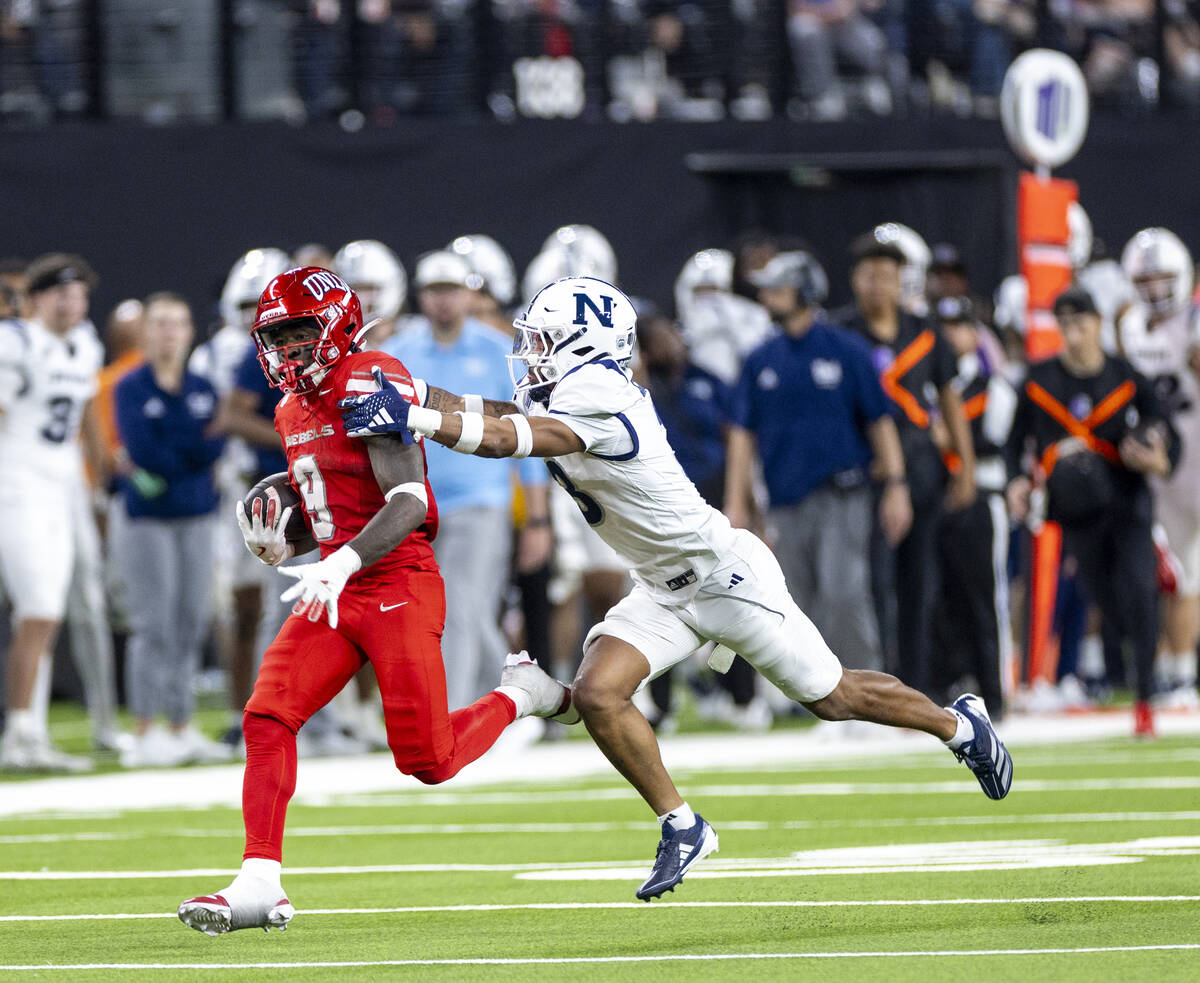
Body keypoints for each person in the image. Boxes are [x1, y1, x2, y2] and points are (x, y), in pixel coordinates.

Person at [341, 274, 1014, 902]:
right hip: (661, 586)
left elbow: (513, 438)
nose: (530, 354)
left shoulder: (600, 394)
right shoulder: (565, 389)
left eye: (542, 342)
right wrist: (418, 395)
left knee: (834, 696)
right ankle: (683, 824)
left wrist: (420, 420)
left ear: (584, 344)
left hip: (724, 576)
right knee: (602, 694)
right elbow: (493, 410)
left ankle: (958, 724)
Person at [178, 267, 570, 935]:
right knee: (267, 713)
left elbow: (408, 500)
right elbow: (330, 506)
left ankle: (521, 693)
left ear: (335, 326)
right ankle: (258, 881)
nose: (288, 348)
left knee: (428, 759)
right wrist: (285, 535)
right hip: (340, 578)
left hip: (397, 581)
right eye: (278, 336)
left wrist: (341, 560)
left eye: (301, 332)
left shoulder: (365, 377)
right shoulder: (288, 406)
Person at [726, 251, 911, 681]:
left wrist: (897, 483)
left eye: (779, 286)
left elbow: (880, 420)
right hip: (785, 497)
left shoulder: (845, 349)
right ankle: (816, 695)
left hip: (841, 492)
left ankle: (868, 687)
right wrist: (737, 501)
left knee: (844, 592)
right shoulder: (760, 359)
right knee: (798, 601)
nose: (768, 295)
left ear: (804, 291)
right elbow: (741, 434)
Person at [1006, 286, 1180, 738]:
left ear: (1098, 324)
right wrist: (1016, 481)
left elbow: (1165, 432)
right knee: (1105, 599)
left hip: (1128, 504)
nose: (1074, 332)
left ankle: (1144, 696)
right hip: (1075, 511)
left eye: (1081, 322)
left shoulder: (1126, 376)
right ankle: (1103, 674)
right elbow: (1014, 442)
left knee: (1140, 592)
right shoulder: (1039, 379)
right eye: (1065, 324)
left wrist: (1159, 458)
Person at [382, 251, 551, 710]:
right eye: (434, 291)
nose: (442, 301)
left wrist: (537, 519)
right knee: (454, 610)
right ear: (421, 295)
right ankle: (518, 699)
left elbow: (528, 437)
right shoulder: (400, 350)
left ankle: (451, 714)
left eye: (451, 290)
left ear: (468, 293)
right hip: (415, 502)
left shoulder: (498, 350)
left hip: (482, 500)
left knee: (459, 606)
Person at [837, 231, 976, 697]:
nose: (878, 285)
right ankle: (876, 681)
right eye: (869, 275)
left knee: (922, 581)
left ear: (902, 282)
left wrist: (965, 463)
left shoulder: (926, 333)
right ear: (855, 280)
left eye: (887, 276)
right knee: (870, 582)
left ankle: (915, 684)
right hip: (865, 470)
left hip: (921, 466)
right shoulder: (842, 334)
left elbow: (951, 398)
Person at [112, 293, 231, 768]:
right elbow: (144, 451)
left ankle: (180, 725)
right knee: (152, 624)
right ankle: (143, 730)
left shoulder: (202, 385)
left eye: (177, 323)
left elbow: (214, 445)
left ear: (188, 332)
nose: (168, 333)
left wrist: (183, 450)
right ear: (146, 333)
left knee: (190, 622)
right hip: (148, 517)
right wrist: (189, 449)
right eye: (159, 324)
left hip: (197, 514)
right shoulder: (130, 387)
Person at [0, 254, 106, 772]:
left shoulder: (85, 344)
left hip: (61, 486)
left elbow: (83, 414)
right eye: (61, 293)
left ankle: (29, 732)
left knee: (46, 613)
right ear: (36, 297)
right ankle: (20, 731)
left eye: (79, 294)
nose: (71, 303)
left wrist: (96, 478)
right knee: (39, 609)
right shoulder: (13, 342)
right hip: (16, 482)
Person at [1118, 228, 1200, 707]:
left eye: (1162, 278)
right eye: (1144, 280)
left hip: (1193, 448)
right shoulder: (1128, 327)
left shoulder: (1193, 320)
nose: (1153, 289)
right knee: (1175, 571)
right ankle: (1176, 669)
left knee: (1187, 571)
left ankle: (1182, 670)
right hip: (1160, 460)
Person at [930, 296, 1015, 718]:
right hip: (941, 499)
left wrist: (947, 439)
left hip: (982, 494)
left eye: (958, 325)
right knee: (945, 600)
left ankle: (998, 691)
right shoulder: (939, 385)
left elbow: (995, 441)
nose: (950, 334)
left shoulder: (992, 384)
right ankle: (956, 684)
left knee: (987, 599)